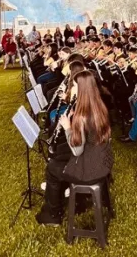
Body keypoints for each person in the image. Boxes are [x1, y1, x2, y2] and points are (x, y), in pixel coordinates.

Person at [36, 70, 113, 226]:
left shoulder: (82, 116)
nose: (73, 87)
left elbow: (77, 150)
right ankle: (74, 199)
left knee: (52, 168)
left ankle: (53, 214)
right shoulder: (99, 106)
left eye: (75, 85)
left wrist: (68, 127)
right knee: (59, 158)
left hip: (90, 168)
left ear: (83, 89)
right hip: (102, 160)